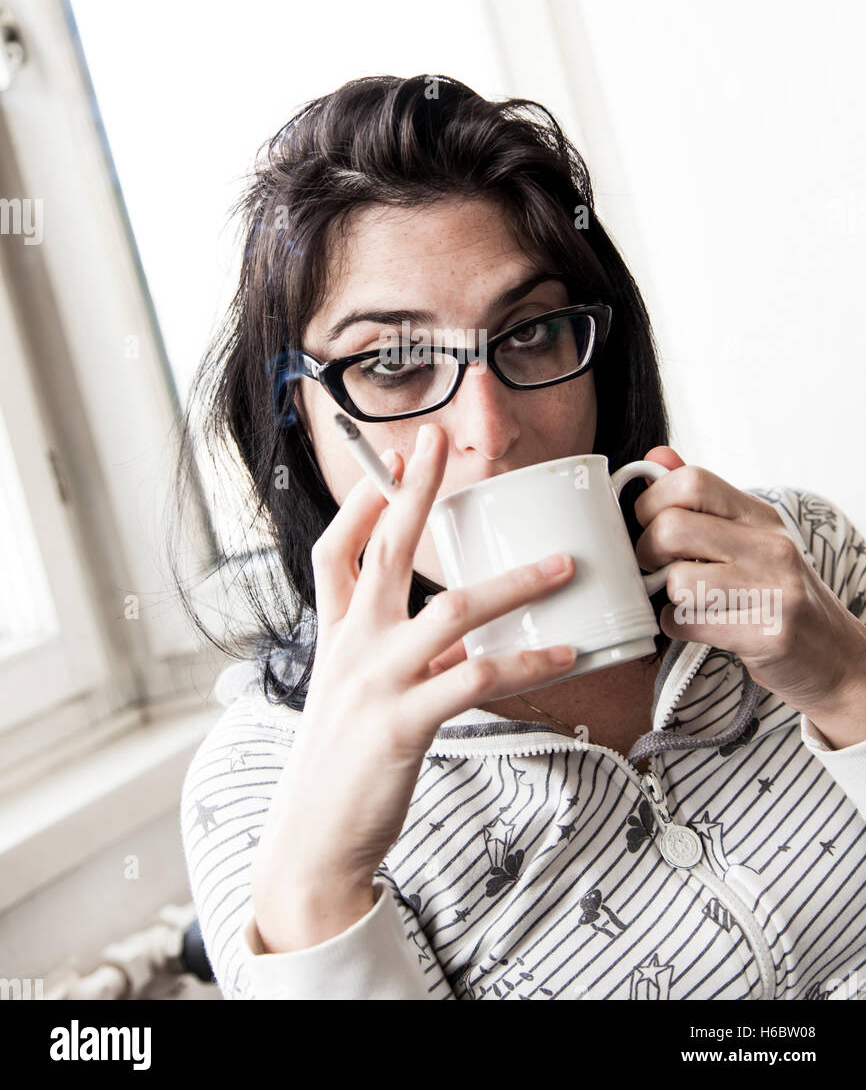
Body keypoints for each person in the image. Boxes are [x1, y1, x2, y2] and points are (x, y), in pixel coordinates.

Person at [177, 74, 866, 1000]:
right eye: (391, 362)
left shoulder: (797, 554)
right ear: (297, 417)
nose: (489, 429)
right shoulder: (259, 787)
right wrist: (316, 892)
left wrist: (849, 681)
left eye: (532, 330)